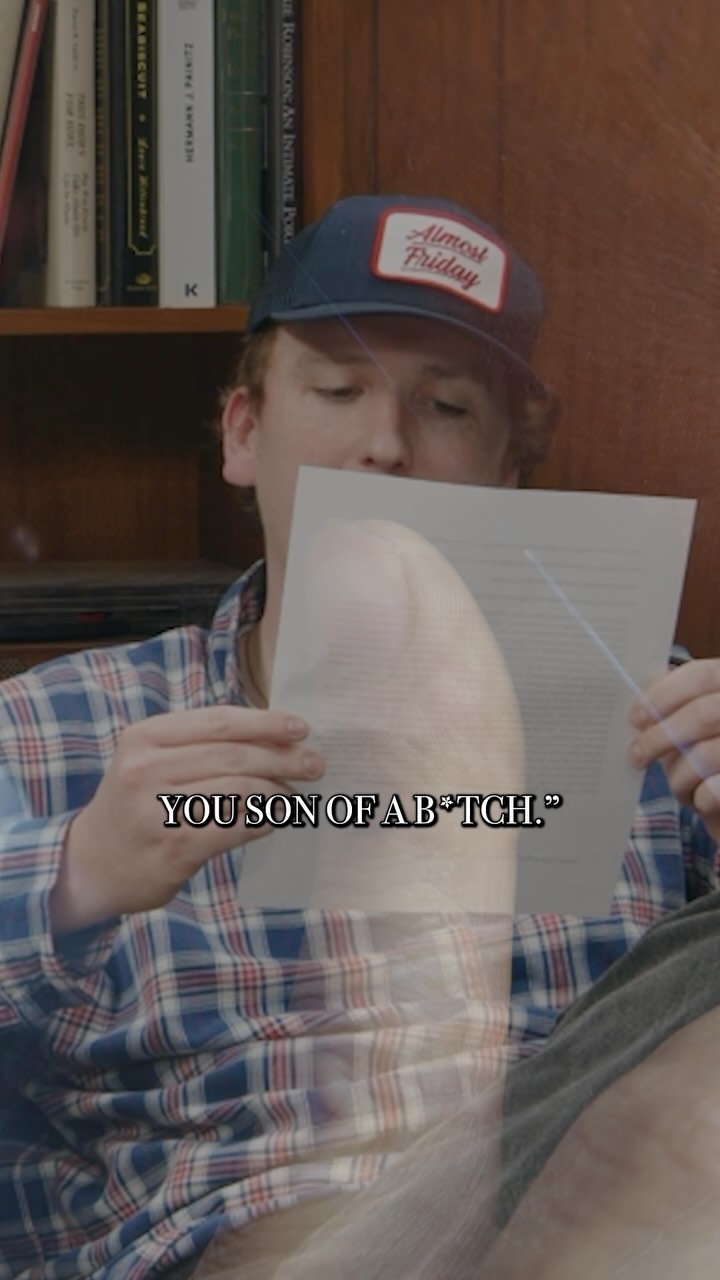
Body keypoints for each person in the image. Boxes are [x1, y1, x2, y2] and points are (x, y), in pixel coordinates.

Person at [1, 193, 719, 1278]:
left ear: (507, 469)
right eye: (337, 391)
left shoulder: (653, 716)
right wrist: (75, 875)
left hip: (570, 1199)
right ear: (245, 432)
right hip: (242, 1230)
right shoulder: (52, 729)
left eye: (448, 406)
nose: (384, 446)